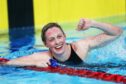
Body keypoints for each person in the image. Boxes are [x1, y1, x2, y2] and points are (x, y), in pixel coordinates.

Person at [1, 18, 122, 67]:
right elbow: (8, 63)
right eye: (51, 39)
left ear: (65, 37)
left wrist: (94, 24)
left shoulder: (81, 47)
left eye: (59, 37)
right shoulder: (41, 57)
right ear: (46, 44)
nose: (57, 42)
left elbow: (117, 32)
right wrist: (35, 64)